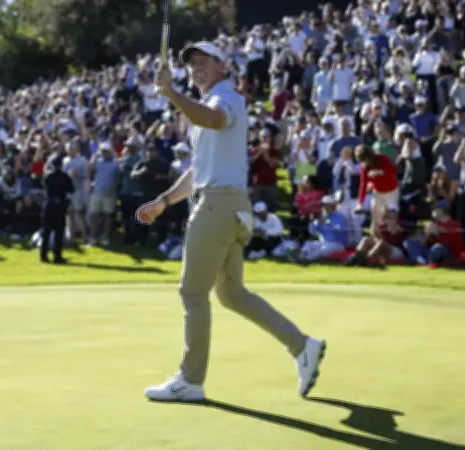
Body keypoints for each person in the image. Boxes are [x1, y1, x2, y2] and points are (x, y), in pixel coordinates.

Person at [135, 41, 326, 402]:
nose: (196, 67)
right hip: (229, 206)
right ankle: (303, 346)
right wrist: (164, 201)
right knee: (232, 294)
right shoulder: (207, 105)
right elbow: (198, 170)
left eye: (204, 61)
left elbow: (214, 119)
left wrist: (170, 93)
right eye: (191, 63)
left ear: (222, 66)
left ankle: (190, 380)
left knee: (192, 292)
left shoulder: (227, 98)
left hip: (217, 206)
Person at [41, 153, 74, 264]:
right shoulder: (65, 176)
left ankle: (43, 255)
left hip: (48, 204)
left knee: (46, 231)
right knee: (59, 231)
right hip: (60, 204)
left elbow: (44, 185)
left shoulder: (47, 176)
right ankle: (57, 256)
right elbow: (71, 190)